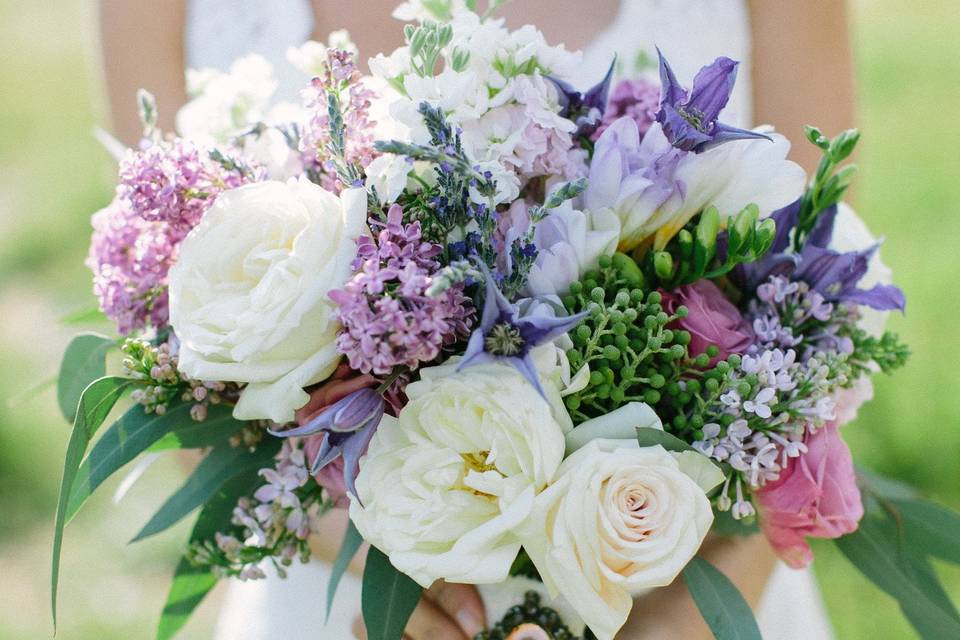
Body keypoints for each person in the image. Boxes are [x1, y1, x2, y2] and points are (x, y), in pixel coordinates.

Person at [99, 1, 855, 638]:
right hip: (349, 598)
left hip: (687, 586)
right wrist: (392, 577)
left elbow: (828, 306)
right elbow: (179, 358)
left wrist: (703, 605)